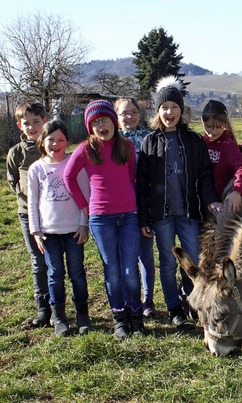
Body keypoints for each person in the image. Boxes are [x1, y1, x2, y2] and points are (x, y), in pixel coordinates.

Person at [136, 76, 221, 331]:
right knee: (168, 261)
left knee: (193, 261)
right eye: (164, 108)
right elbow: (142, 184)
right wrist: (143, 218)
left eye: (174, 107)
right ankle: (174, 309)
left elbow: (205, 175)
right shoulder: (149, 142)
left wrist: (211, 201)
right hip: (161, 216)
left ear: (181, 110)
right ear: (157, 110)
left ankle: (193, 302)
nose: (169, 112)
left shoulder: (194, 141)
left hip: (188, 214)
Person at [63, 99, 145, 340]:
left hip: (129, 216)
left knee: (130, 269)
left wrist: (129, 202)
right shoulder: (86, 149)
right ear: (90, 127)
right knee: (112, 269)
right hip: (101, 219)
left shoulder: (127, 146)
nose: (101, 126)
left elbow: (131, 176)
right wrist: (84, 205)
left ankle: (136, 316)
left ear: (113, 122)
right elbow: (69, 177)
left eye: (105, 120)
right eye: (95, 122)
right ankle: (119, 317)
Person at [27, 120, 93, 337]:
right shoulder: (37, 169)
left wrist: (84, 224)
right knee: (55, 274)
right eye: (50, 139)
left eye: (60, 140)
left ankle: (83, 315)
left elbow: (85, 196)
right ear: (42, 141)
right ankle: (60, 317)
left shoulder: (74, 164)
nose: (55, 144)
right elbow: (33, 202)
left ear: (67, 142)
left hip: (74, 230)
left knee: (77, 273)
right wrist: (35, 231)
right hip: (48, 233)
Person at [6, 102, 51, 328]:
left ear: (45, 121)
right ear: (19, 126)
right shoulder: (16, 153)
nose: (32, 127)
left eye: (36, 122)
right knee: (38, 261)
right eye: (27, 123)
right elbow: (12, 180)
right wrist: (28, 200)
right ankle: (43, 308)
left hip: (54, 214)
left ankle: (58, 305)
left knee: (55, 262)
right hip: (28, 216)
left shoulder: (54, 146)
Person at [114, 97, 157, 319]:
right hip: (118, 207)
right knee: (123, 259)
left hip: (143, 206)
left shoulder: (148, 139)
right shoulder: (111, 141)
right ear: (116, 116)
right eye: (124, 113)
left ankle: (148, 299)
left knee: (145, 256)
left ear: (139, 115)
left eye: (133, 112)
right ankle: (130, 299)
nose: (129, 116)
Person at [200, 100, 242, 229]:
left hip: (219, 205)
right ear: (202, 122)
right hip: (200, 203)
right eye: (209, 126)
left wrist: (237, 191)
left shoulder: (228, 145)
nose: (212, 131)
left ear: (225, 124)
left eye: (218, 127)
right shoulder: (199, 142)